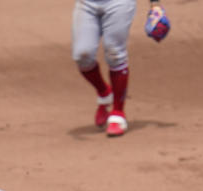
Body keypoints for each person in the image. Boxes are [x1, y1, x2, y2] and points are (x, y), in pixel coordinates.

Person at [71, 0, 166, 137]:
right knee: (82, 55)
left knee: (114, 53)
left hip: (119, 3)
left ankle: (118, 113)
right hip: (86, 3)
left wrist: (155, 4)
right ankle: (104, 93)